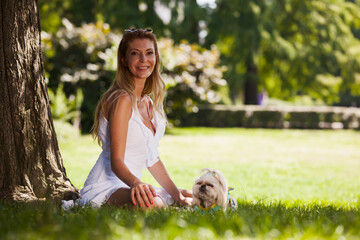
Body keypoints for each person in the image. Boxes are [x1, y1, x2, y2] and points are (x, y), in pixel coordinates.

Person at [79, 28, 192, 209]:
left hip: (131, 184)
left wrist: (178, 196)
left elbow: (152, 159)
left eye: (149, 53)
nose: (143, 60)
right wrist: (137, 184)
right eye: (135, 53)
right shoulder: (122, 99)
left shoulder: (147, 103)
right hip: (107, 186)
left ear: (156, 58)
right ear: (124, 60)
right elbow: (117, 162)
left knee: (186, 194)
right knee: (155, 204)